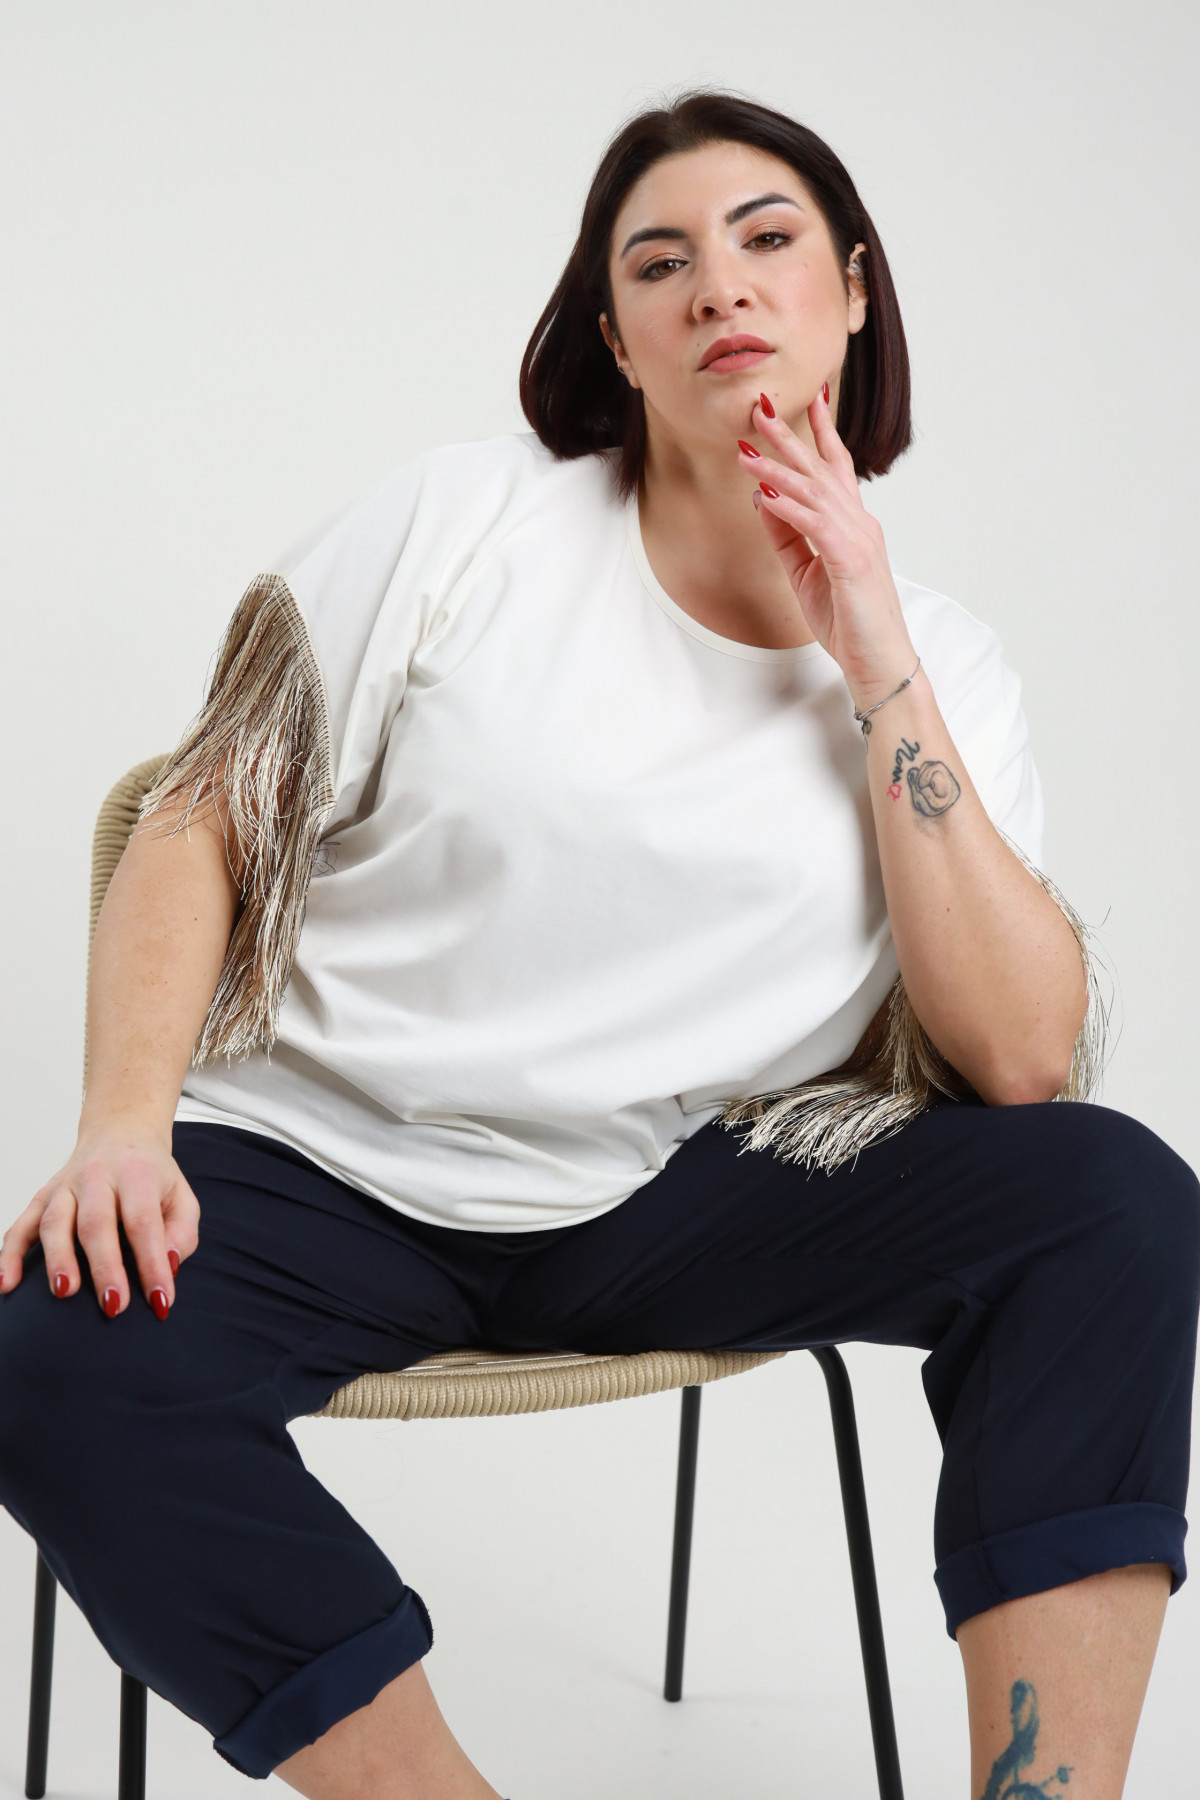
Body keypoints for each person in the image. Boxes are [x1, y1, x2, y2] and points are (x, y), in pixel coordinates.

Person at [0, 90, 1195, 1800]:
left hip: (670, 1193)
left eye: (768, 240)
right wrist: (121, 1127)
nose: (721, 285)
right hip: (336, 1167)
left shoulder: (944, 663)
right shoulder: (470, 523)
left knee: (1111, 1201)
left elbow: (1017, 1058)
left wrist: (872, 651)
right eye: (660, 262)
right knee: (53, 1358)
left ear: (855, 292)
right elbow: (199, 818)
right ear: (620, 342)